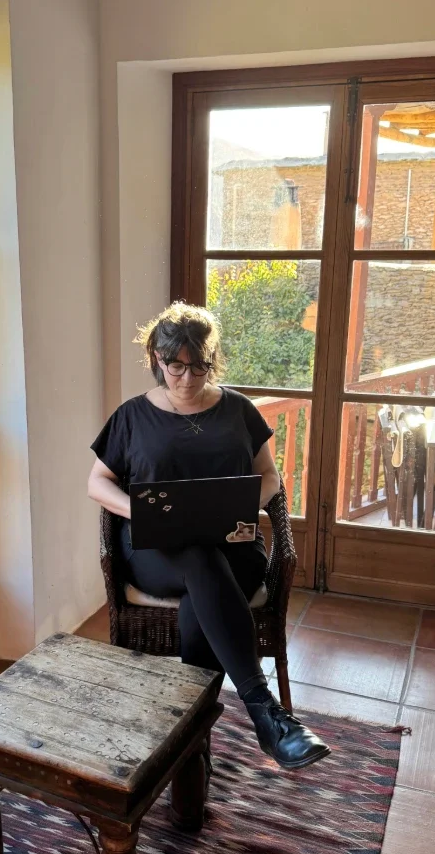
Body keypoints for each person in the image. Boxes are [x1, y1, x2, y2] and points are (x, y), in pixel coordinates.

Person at [87, 302, 330, 770]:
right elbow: (97, 482)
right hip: (156, 553)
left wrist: (245, 505)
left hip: (235, 548)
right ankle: (266, 712)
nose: (187, 377)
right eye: (175, 366)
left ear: (211, 359)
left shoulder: (238, 410)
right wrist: (136, 510)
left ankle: (191, 744)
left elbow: (270, 478)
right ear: (157, 359)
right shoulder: (132, 416)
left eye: (199, 366)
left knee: (205, 577)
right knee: (196, 551)